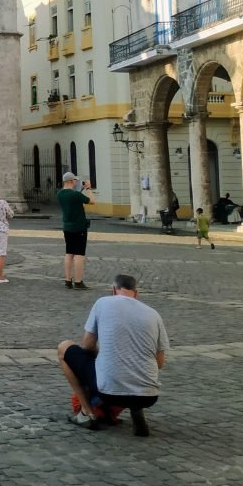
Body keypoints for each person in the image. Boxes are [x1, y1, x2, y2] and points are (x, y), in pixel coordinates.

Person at [58, 274, 169, 437]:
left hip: (109, 392)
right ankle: (137, 410)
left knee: (64, 348)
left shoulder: (103, 303)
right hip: (149, 396)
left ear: (113, 290)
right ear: (136, 294)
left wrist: (102, 356)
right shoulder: (154, 314)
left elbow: (87, 345)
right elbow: (159, 363)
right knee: (134, 362)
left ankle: (86, 414)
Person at [58, 172, 94, 290]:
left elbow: (73, 198)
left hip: (67, 227)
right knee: (79, 255)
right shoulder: (75, 195)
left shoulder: (60, 194)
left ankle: (68, 280)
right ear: (71, 181)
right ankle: (78, 282)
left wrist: (81, 190)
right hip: (79, 227)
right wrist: (88, 188)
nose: (76, 182)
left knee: (69, 253)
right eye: (75, 180)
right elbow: (92, 201)